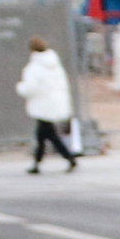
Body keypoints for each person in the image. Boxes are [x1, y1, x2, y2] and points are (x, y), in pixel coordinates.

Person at [15, 36, 78, 173]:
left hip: (43, 105)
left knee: (49, 135)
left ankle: (69, 158)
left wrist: (20, 87)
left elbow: (29, 88)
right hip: (56, 103)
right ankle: (37, 163)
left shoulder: (34, 68)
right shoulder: (55, 64)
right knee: (42, 135)